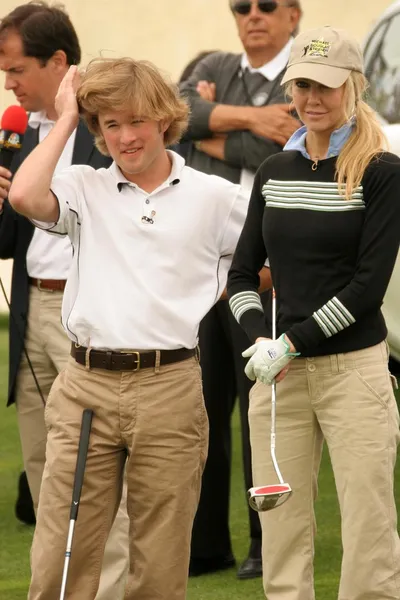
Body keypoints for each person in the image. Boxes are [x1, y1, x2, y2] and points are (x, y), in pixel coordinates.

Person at [8, 56, 251, 600]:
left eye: (136, 120)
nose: (125, 137)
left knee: (159, 562)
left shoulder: (215, 197)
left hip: (170, 387)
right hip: (85, 387)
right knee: (60, 554)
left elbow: (270, 256)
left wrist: (231, 286)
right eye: (110, 124)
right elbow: (23, 197)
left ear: (164, 119)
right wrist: (68, 116)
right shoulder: (82, 185)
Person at [227, 25, 400, 600]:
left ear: (353, 87)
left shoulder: (381, 171)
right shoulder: (276, 172)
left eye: (325, 86)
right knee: (280, 526)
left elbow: (365, 289)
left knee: (369, 521)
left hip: (353, 371)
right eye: (301, 85)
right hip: (278, 376)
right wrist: (259, 337)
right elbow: (242, 275)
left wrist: (290, 341)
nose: (311, 99)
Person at [0, 3, 129, 598]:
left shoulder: (110, 123)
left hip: (88, 321)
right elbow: (11, 240)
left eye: (16, 68)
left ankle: (107, 590)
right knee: (45, 472)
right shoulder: (20, 129)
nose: (9, 83)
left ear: (58, 61)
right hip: (29, 314)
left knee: (99, 477)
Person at [180, 0, 302, 579]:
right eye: (240, 5)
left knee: (263, 411)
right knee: (200, 411)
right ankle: (205, 547)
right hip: (208, 271)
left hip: (270, 273)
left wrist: (212, 129)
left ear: (293, 14)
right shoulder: (213, 62)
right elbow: (175, 116)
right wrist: (252, 119)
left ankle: (263, 541)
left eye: (267, 4)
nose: (253, 13)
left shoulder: (305, 72)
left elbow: (293, 153)